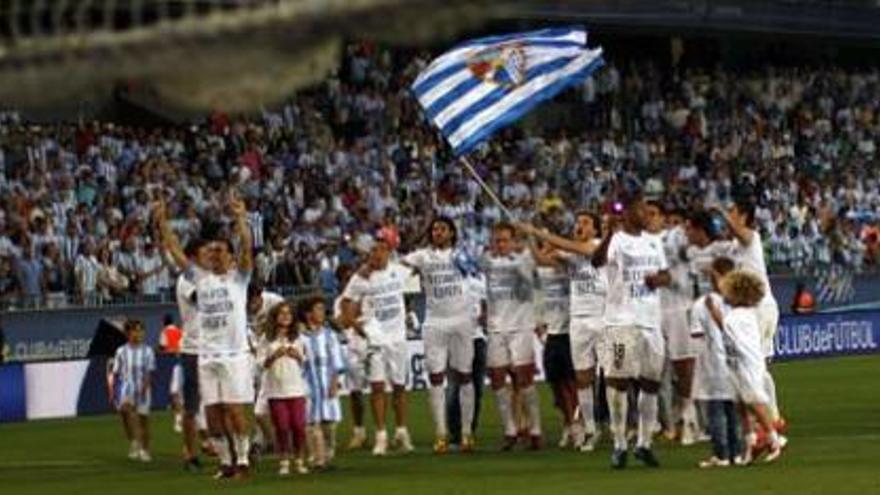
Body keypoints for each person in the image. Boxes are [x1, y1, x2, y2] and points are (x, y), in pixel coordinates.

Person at [158, 192, 255, 479]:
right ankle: (226, 463)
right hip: (206, 355)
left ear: (230, 255)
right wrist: (162, 222)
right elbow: (175, 251)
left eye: (219, 251)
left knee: (234, 411)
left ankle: (244, 460)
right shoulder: (200, 278)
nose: (214, 255)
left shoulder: (239, 278)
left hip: (235, 355)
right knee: (212, 414)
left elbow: (247, 248)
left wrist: (241, 217)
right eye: (211, 252)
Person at [517, 211, 606, 451]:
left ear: (596, 230)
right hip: (578, 320)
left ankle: (625, 424)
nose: (580, 225)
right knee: (582, 378)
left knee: (617, 377)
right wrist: (530, 239)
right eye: (577, 222)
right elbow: (544, 260)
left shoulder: (599, 247)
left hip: (604, 317)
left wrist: (540, 233)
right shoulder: (571, 253)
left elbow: (580, 250)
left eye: (586, 222)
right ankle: (589, 429)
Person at [593, 192, 671, 469]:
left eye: (648, 210)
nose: (646, 215)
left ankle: (644, 443)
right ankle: (618, 443)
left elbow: (667, 275)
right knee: (618, 382)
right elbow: (596, 261)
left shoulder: (654, 241)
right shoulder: (616, 240)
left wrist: (656, 280)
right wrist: (607, 235)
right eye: (641, 209)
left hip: (651, 320)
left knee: (651, 383)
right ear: (626, 213)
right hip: (620, 322)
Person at [400, 217, 477, 453]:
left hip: (462, 320)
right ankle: (441, 434)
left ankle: (466, 433)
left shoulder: (463, 255)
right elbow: (399, 268)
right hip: (434, 322)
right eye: (434, 229)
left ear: (452, 233)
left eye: (442, 229)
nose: (438, 233)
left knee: (464, 375)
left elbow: (474, 276)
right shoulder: (422, 256)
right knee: (435, 377)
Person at [340, 233, 414, 456]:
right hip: (376, 339)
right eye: (373, 250)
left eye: (381, 250)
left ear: (389, 253)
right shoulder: (360, 278)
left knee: (400, 387)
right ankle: (381, 435)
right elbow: (345, 302)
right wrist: (355, 324)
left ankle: (402, 432)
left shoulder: (399, 270)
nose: (377, 254)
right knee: (377, 387)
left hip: (398, 337)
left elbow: (419, 269)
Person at [717, 199, 785, 429]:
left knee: (757, 364)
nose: (729, 216)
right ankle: (770, 417)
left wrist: (720, 212)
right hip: (752, 309)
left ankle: (771, 418)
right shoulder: (734, 246)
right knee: (757, 363)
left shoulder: (751, 238)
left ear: (744, 216)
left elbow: (740, 233)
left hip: (762, 307)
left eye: (733, 211)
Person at [705, 270, 786, 464]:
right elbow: (727, 330)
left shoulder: (742, 316)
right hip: (735, 364)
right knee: (740, 404)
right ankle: (750, 441)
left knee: (753, 402)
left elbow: (738, 340)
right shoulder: (737, 315)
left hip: (746, 365)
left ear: (737, 294)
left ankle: (774, 439)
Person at [481, 222, 542, 451]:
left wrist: (525, 247)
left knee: (524, 378)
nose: (500, 245)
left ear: (514, 241)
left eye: (505, 240)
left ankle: (535, 429)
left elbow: (532, 282)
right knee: (497, 378)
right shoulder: (487, 260)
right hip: (496, 327)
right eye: (497, 240)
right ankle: (510, 430)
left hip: (521, 326)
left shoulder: (523, 259)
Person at [644, 202, 700, 445]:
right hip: (653, 311)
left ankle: (690, 421)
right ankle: (662, 422)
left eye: (653, 214)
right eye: (645, 214)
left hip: (679, 308)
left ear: (664, 218)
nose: (648, 218)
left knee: (684, 369)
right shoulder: (639, 242)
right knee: (652, 372)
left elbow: (691, 248)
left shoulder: (674, 237)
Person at [690, 257, 740, 468]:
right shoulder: (738, 303)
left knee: (716, 411)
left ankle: (721, 454)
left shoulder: (702, 304)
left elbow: (697, 336)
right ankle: (736, 453)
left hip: (713, 364)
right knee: (732, 410)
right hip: (735, 363)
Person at [171, 238, 212, 472]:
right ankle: (190, 454)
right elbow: (204, 300)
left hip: (212, 348)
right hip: (193, 349)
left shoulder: (209, 277)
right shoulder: (187, 279)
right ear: (194, 257)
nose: (210, 256)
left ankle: (214, 445)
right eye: (205, 252)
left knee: (217, 402)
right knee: (192, 405)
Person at [258, 301, 309, 476]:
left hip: (296, 389)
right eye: (282, 313)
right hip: (276, 390)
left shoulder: (298, 338)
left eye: (288, 313)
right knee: (282, 426)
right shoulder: (267, 339)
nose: (286, 316)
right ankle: (284, 460)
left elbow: (305, 362)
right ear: (275, 317)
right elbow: (261, 364)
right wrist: (273, 356)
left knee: (299, 426)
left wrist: (297, 356)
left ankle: (299, 459)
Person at [300, 296, 347, 469]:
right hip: (308, 387)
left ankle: (327, 454)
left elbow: (337, 360)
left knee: (330, 424)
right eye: (318, 309)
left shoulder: (329, 335)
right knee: (311, 423)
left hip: (327, 384)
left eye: (322, 309)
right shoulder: (300, 338)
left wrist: (335, 381)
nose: (322, 312)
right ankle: (316, 458)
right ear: (307, 314)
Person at [246, 283, 285, 459]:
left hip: (278, 353)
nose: (249, 307)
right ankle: (265, 440)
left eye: (252, 301)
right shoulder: (241, 308)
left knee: (279, 399)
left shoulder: (275, 302)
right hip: (256, 356)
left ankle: (270, 441)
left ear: (259, 296)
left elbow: (287, 323)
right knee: (258, 402)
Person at [109, 319, 156, 463]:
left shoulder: (148, 351)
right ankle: (134, 441)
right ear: (127, 333)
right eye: (135, 330)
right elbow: (116, 373)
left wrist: (144, 388)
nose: (138, 333)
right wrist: (113, 393)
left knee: (143, 420)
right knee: (125, 411)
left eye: (141, 330)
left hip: (142, 387)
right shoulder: (121, 351)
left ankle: (145, 450)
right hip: (126, 387)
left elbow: (149, 372)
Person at [333, 264, 369, 450]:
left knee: (384, 387)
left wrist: (351, 316)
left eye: (350, 277)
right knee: (356, 392)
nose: (348, 282)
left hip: (374, 343)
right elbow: (341, 323)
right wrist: (355, 316)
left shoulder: (367, 294)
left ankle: (390, 431)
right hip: (354, 348)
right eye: (344, 278)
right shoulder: (340, 301)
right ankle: (359, 431)